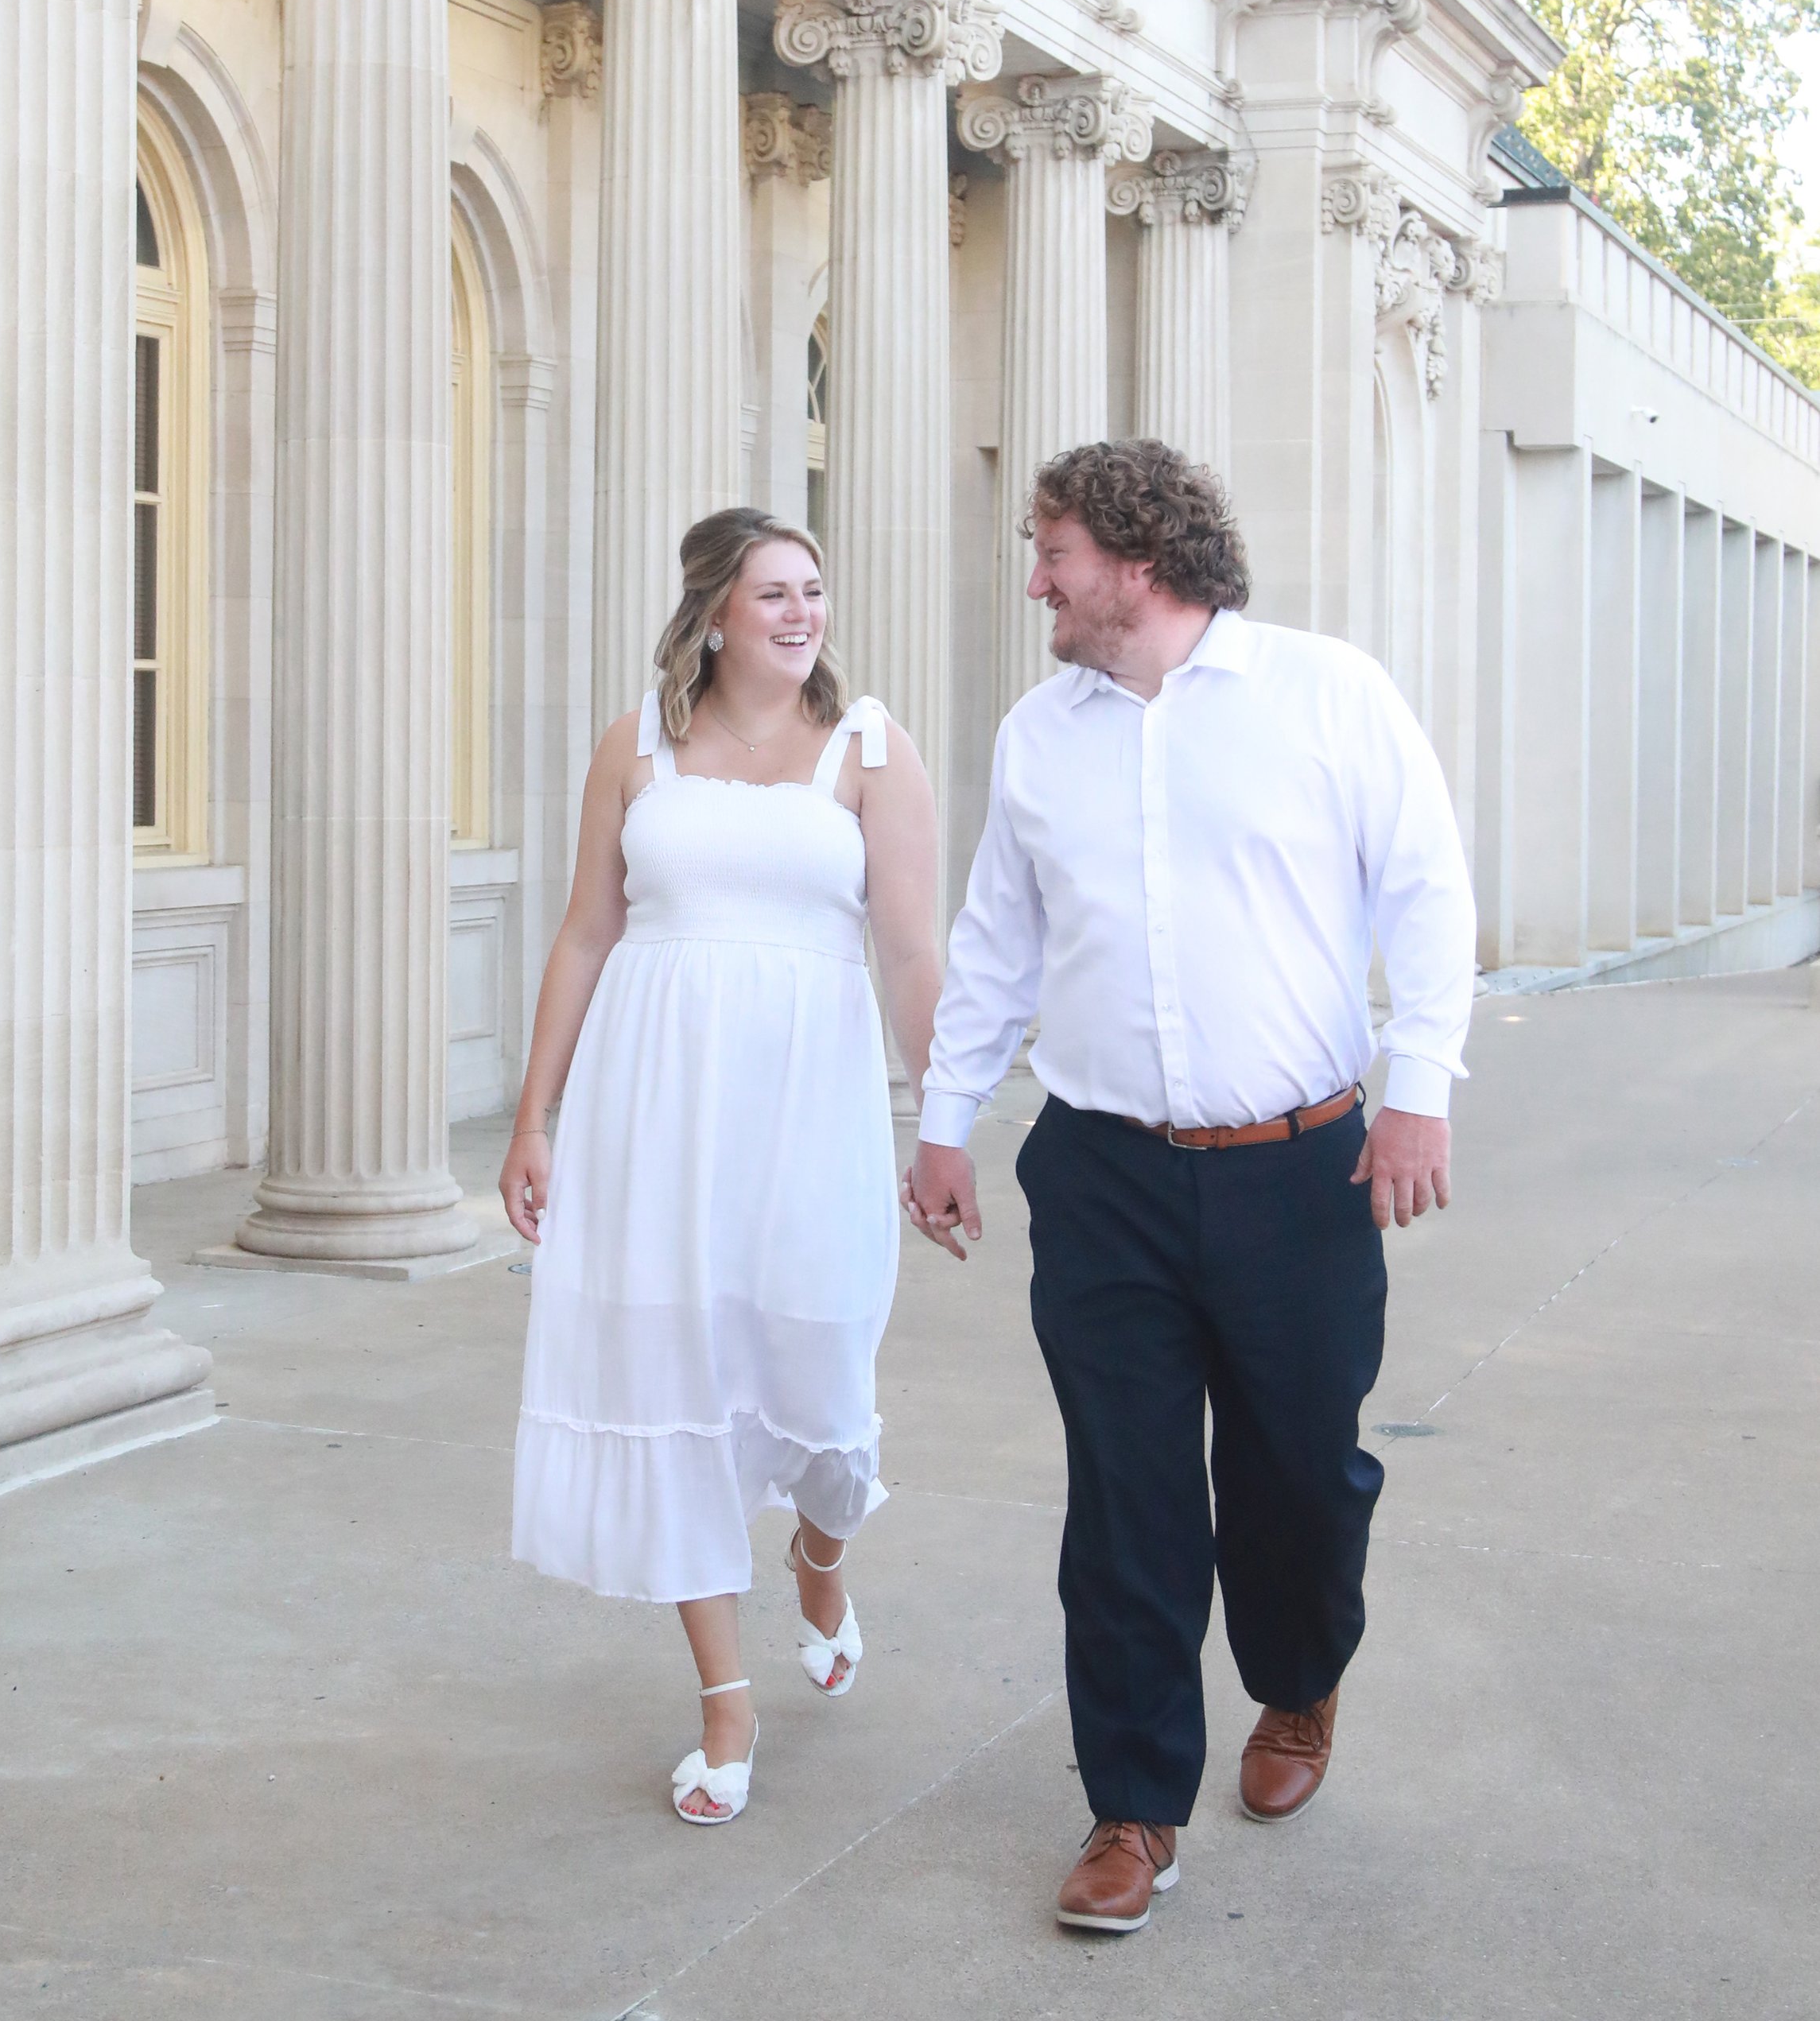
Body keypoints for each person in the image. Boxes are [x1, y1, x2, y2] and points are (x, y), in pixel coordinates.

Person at [906, 440, 1476, 1934]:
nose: (1034, 577)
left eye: (1054, 551)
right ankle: (1134, 1807)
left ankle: (1298, 1681)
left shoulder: (1325, 694)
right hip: (1102, 1176)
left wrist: (1418, 1088)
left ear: (1137, 562)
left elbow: (1426, 884)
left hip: (1303, 1166)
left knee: (1296, 1475)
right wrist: (944, 1118)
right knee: (1127, 1494)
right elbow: (994, 942)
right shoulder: (1041, 735)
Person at [503, 508, 941, 1826]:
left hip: (809, 1108)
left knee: (822, 1374)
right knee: (674, 1376)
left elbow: (914, 952)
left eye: (812, 589)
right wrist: (537, 1116)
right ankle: (724, 1699)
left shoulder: (870, 747)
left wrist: (944, 1120)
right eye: (773, 593)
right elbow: (587, 934)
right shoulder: (635, 745)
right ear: (712, 611)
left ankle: (819, 1555)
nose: (801, 612)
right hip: (654, 1111)